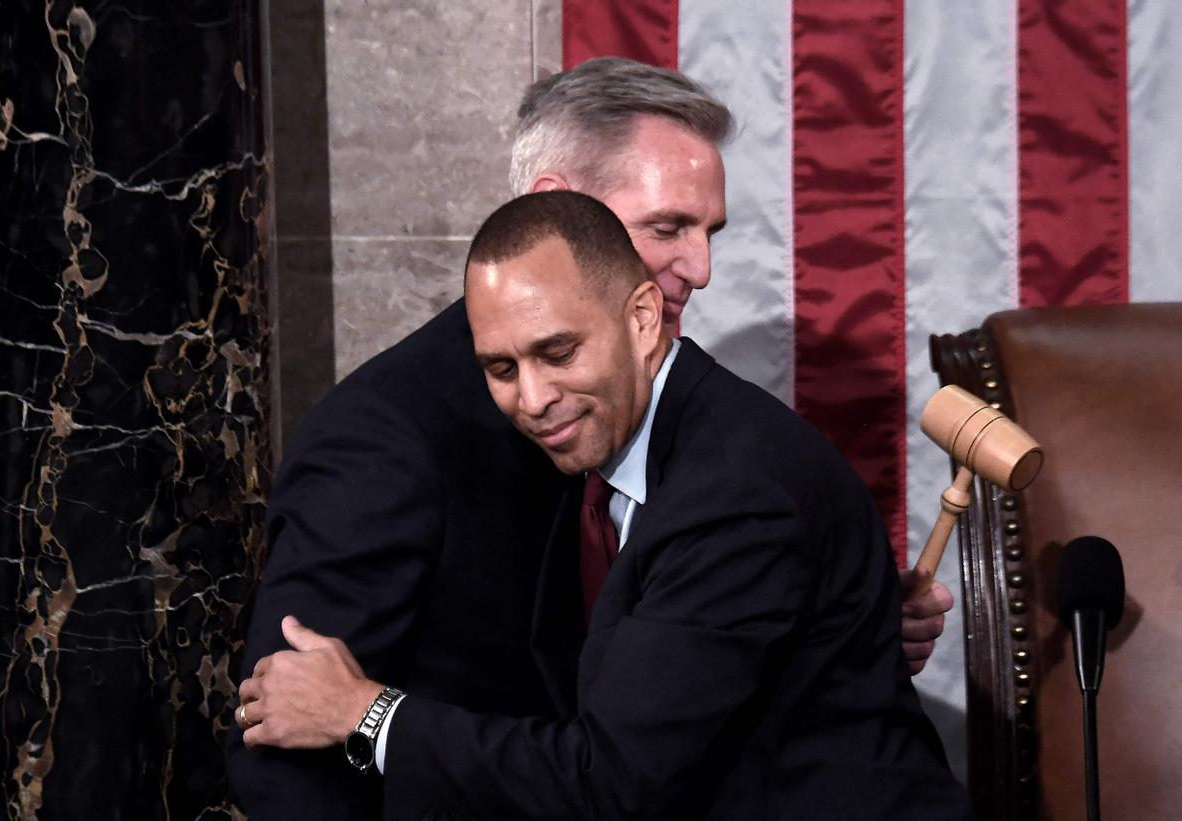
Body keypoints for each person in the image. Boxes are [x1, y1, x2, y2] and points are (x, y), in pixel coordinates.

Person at [225, 57, 952, 817]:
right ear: (561, 206)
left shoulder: (693, 441)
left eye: (708, 232)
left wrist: (821, 626)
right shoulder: (386, 438)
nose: (699, 270)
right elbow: (285, 738)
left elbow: (640, 715)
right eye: (667, 227)